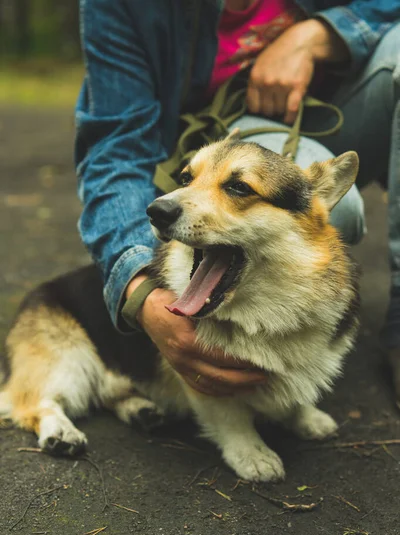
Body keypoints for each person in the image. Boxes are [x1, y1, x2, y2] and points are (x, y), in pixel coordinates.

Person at [76, 0, 400, 400]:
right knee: (342, 213)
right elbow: (114, 151)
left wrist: (322, 34)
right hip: (224, 139)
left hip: (343, 100)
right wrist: (139, 291)